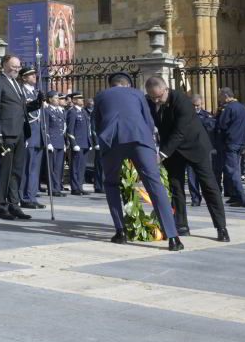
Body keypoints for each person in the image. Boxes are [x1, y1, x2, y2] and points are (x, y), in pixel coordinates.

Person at [93, 72, 182, 251]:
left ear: (112, 85)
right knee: (155, 185)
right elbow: (148, 122)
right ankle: (173, 237)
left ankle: (120, 231)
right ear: (127, 85)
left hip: (112, 141)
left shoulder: (101, 96)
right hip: (140, 139)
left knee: (111, 184)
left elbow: (96, 123)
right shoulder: (138, 94)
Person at [144, 77, 229, 242]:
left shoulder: (181, 100)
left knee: (209, 187)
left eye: (158, 97)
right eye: (152, 97)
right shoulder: (150, 101)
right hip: (174, 152)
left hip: (195, 146)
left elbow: (180, 131)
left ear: (166, 89)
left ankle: (221, 227)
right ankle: (181, 225)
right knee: (176, 188)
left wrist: (161, 155)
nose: (156, 101)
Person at [0, 54, 43, 221]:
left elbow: (20, 108)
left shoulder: (17, 84)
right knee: (5, 171)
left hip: (20, 132)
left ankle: (14, 204)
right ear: (4, 65)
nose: (17, 70)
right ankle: (3, 206)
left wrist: (37, 103)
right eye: (14, 67)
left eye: (18, 67)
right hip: (6, 133)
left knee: (17, 171)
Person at [215, 87, 245, 207]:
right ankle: (235, 196)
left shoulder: (229, 108)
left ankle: (242, 199)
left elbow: (222, 125)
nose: (219, 99)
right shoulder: (242, 107)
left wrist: (218, 115)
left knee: (232, 171)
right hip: (240, 142)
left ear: (225, 96)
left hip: (230, 143)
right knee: (236, 169)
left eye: (220, 97)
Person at [19, 67, 46, 209]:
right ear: (24, 77)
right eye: (30, 75)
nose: (34, 76)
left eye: (34, 74)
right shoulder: (21, 91)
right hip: (29, 134)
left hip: (38, 135)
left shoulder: (36, 92)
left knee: (35, 169)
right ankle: (23, 197)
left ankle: (32, 195)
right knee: (27, 167)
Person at [189, 94, 216, 206]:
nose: (196, 108)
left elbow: (210, 128)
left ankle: (209, 197)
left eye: (198, 106)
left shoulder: (207, 116)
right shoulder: (186, 115)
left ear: (202, 104)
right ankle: (195, 198)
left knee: (205, 174)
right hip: (189, 149)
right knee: (191, 176)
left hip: (203, 149)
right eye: (194, 106)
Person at [66, 93, 91, 195]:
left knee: (82, 167)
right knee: (75, 166)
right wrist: (73, 143)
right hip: (77, 144)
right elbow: (70, 130)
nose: (82, 100)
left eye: (82, 98)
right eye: (79, 98)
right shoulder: (72, 112)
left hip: (85, 143)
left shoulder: (84, 112)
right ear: (74, 100)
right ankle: (75, 187)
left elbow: (87, 128)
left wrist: (89, 142)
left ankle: (80, 186)